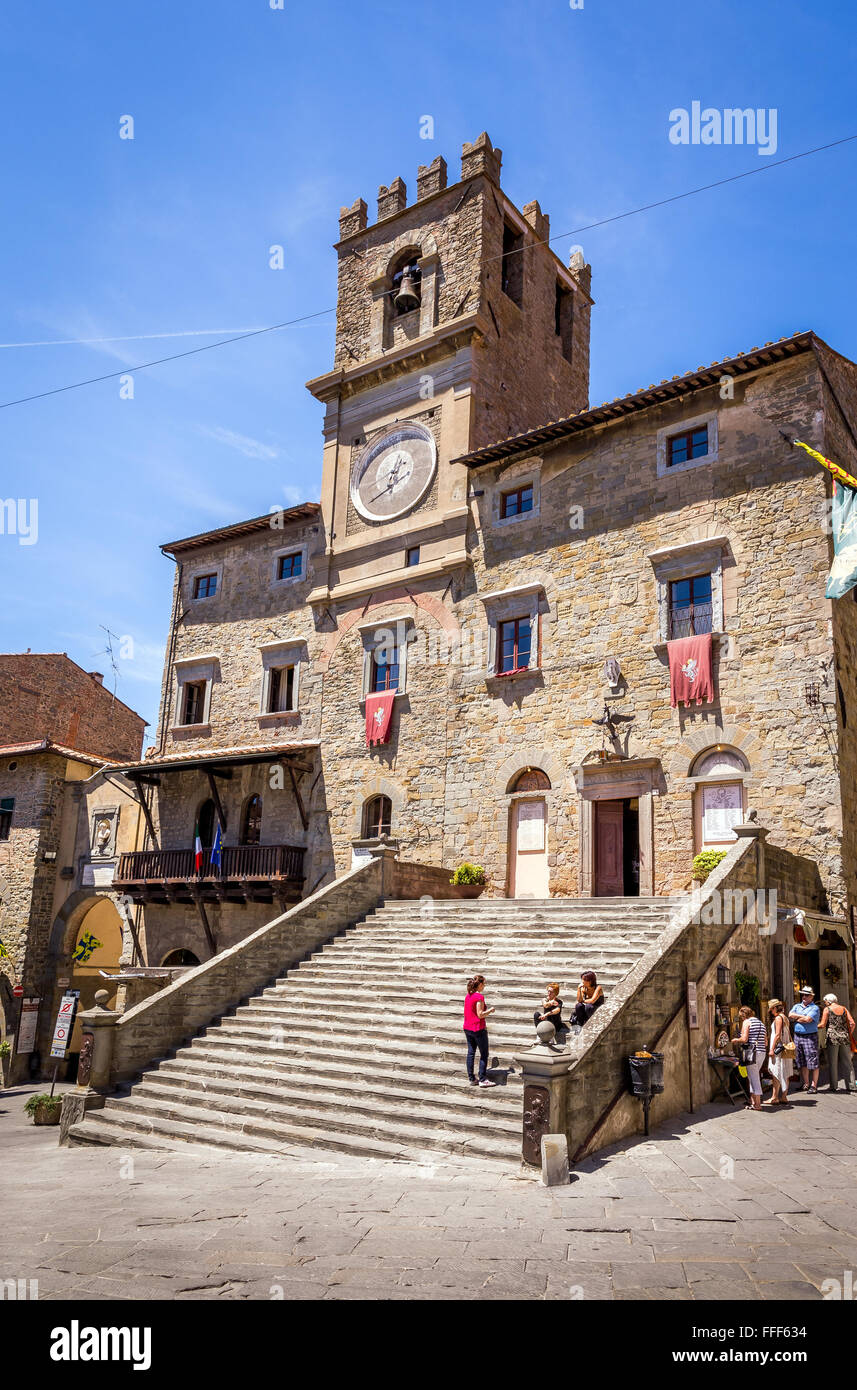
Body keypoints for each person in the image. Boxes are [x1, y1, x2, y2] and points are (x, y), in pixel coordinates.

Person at [463, 974, 496, 1088]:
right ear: (480, 984)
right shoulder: (479, 997)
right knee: (484, 1054)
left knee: (471, 1053)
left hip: (467, 1028)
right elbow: (480, 1014)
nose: (484, 986)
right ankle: (482, 1079)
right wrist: (490, 1010)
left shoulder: (468, 996)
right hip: (478, 1029)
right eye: (484, 984)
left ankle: (472, 1079)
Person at [731, 1005, 767, 1111]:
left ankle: (758, 1105)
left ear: (744, 1015)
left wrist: (736, 1040)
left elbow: (744, 1038)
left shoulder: (747, 1022)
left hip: (752, 1053)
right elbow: (765, 1042)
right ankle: (753, 1102)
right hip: (761, 1052)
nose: (742, 1019)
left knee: (754, 1078)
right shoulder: (761, 1023)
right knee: (752, 1076)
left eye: (741, 1017)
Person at [820, 993, 856, 1094]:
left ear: (828, 1001)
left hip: (832, 1038)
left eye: (825, 1001)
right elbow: (852, 1023)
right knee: (847, 1062)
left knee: (833, 1062)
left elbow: (823, 1024)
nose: (825, 1003)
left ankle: (833, 1086)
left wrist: (815, 1026)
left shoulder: (827, 1009)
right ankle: (851, 1085)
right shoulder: (844, 1009)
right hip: (845, 1037)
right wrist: (847, 1033)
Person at [789, 986, 821, 1093]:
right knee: (801, 1061)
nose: (804, 996)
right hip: (798, 1036)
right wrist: (802, 1017)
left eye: (806, 995)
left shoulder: (815, 1008)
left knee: (813, 1061)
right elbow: (790, 1015)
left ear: (811, 997)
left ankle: (814, 1085)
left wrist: (797, 1018)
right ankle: (806, 1083)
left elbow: (808, 1019)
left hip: (810, 1036)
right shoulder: (797, 1006)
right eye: (802, 994)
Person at [766, 999, 793, 1105]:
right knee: (785, 1072)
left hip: (779, 1049)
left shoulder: (778, 1018)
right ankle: (784, 1097)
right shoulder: (785, 1017)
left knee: (776, 1072)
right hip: (785, 1048)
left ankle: (774, 1097)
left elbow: (777, 1035)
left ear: (775, 1008)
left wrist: (772, 1049)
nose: (771, 1011)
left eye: (771, 1009)